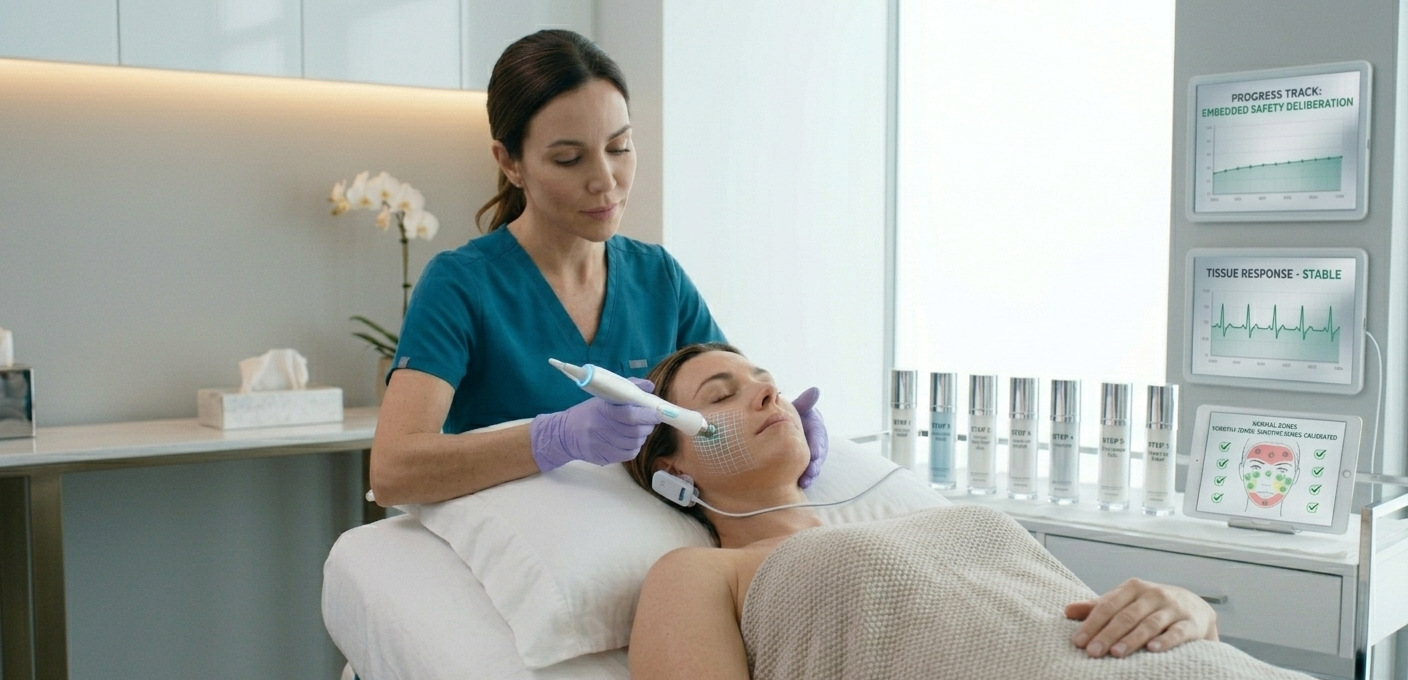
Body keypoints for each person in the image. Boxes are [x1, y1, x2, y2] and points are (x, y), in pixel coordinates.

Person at [369, 30, 827, 506]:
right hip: (529, 555)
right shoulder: (461, 286)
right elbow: (393, 472)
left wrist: (776, 420)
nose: (605, 181)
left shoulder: (659, 279)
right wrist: (552, 439)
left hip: (653, 545)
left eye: (619, 147)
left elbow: (724, 411)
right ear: (510, 162)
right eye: (569, 158)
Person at [624, 343, 1229, 680]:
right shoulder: (700, 574)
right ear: (674, 469)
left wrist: (1189, 613)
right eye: (721, 396)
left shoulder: (913, 522)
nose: (768, 393)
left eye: (766, 380)